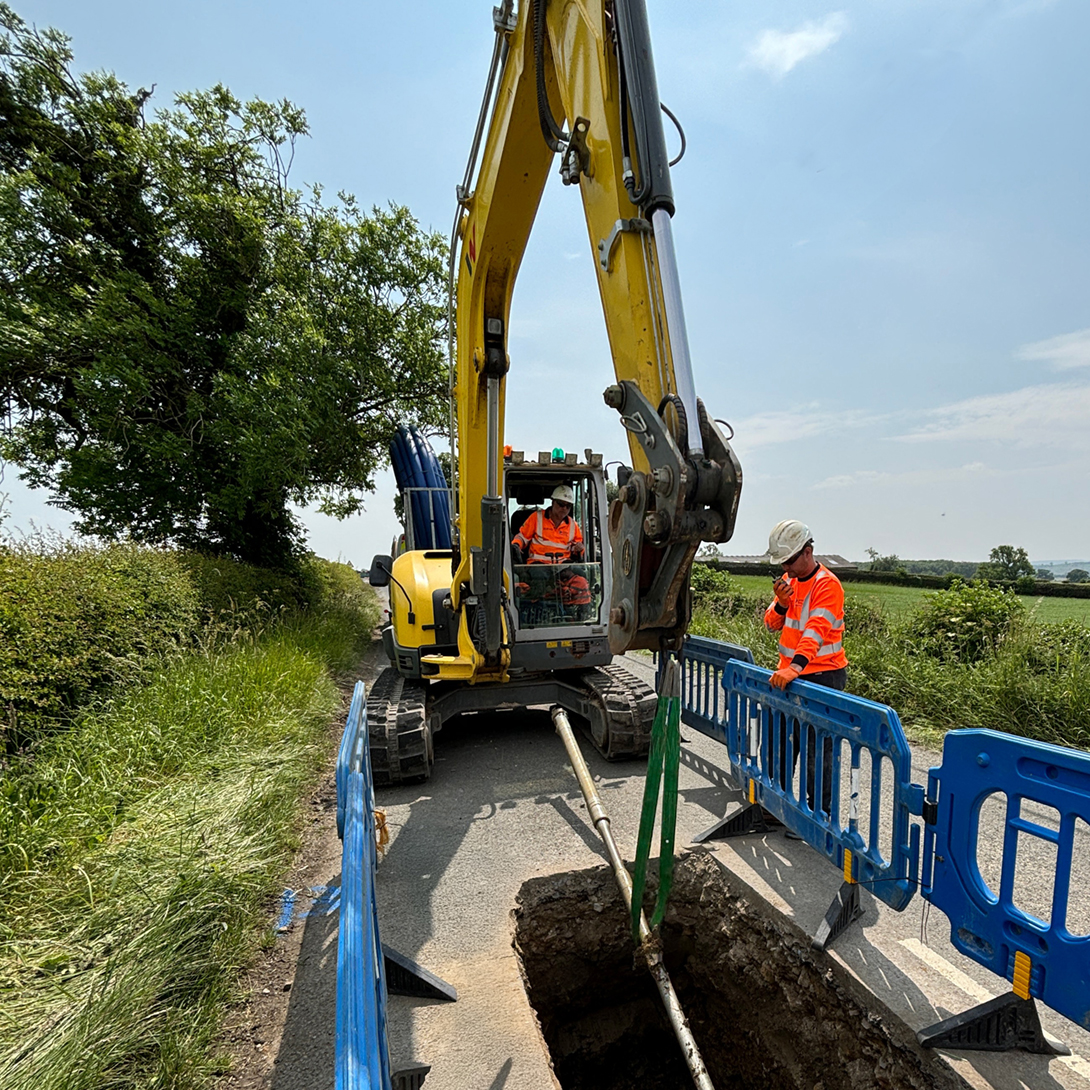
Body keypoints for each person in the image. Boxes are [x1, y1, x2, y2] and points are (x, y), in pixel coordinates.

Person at [763, 519, 848, 816]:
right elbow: (771, 624)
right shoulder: (791, 584)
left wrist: (794, 669)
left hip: (822, 676)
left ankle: (819, 815)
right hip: (791, 674)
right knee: (781, 744)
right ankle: (776, 807)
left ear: (807, 551)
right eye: (782, 562)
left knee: (816, 751)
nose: (785, 568)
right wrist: (782, 605)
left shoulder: (827, 585)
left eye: (789, 560)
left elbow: (815, 631)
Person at [511, 484, 585, 564]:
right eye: (561, 504)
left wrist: (579, 549)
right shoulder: (536, 518)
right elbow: (522, 537)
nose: (564, 508)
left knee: (580, 575)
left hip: (563, 566)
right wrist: (516, 545)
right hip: (538, 564)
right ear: (553, 502)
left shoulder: (573, 525)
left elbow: (576, 547)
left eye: (568, 506)